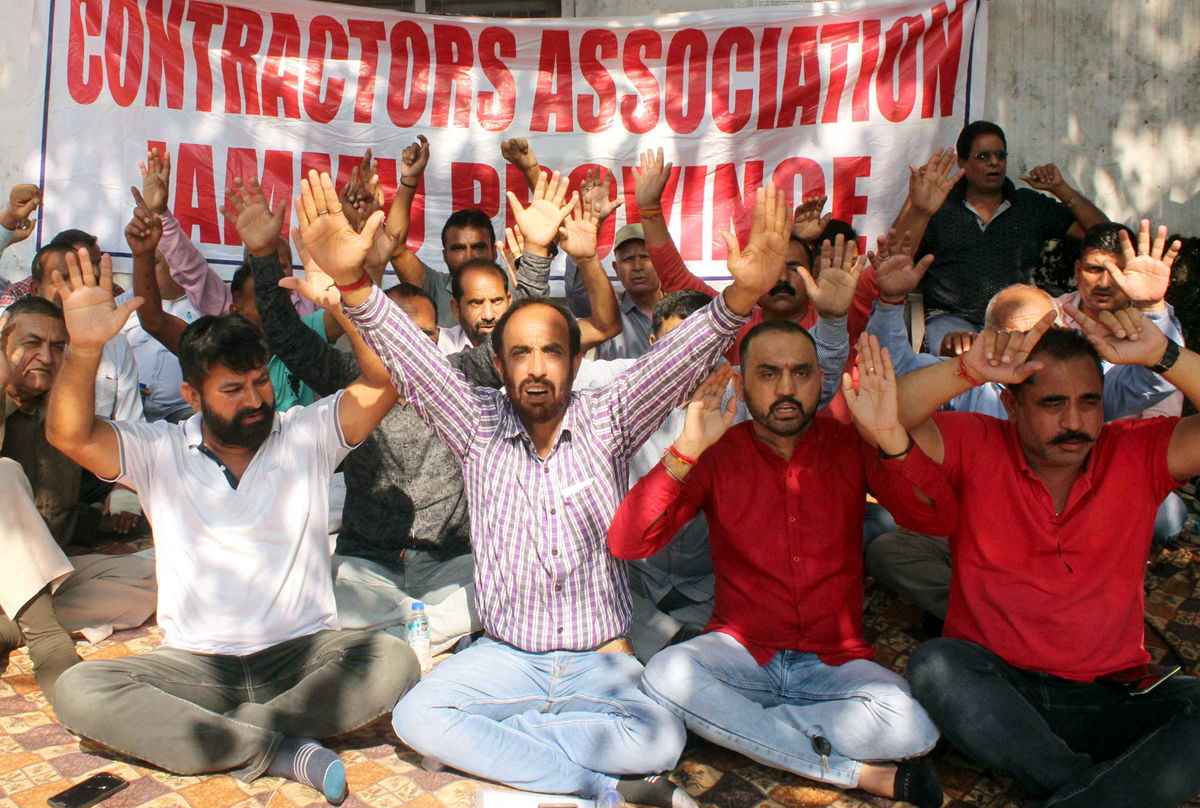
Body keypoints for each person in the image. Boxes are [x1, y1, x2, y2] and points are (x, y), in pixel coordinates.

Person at [306, 162, 793, 804]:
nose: (536, 369)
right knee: (416, 718)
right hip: (507, 657)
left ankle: (521, 750)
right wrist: (353, 283)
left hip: (600, 660)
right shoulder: (475, 422)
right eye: (519, 354)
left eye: (552, 352)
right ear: (498, 364)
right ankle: (600, 789)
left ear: (574, 358)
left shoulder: (610, 415)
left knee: (661, 740)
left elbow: (674, 359)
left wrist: (738, 300)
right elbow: (414, 358)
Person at [45, 230, 417, 802]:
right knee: (80, 689)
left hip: (301, 655)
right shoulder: (159, 449)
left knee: (392, 661)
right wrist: (84, 349)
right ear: (192, 397)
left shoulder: (304, 434)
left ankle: (226, 736)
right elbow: (68, 433)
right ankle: (279, 747)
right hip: (195, 666)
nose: (255, 400)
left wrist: (346, 301)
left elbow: (383, 382)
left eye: (259, 381)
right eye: (232, 389)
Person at [894, 221, 1200, 808]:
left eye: (1089, 402)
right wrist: (969, 370)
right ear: (1011, 403)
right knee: (935, 665)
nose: (1075, 422)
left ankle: (1067, 790)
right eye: (1053, 404)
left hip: (1110, 693)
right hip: (999, 685)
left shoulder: (1133, 450)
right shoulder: (978, 440)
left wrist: (1164, 352)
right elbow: (889, 419)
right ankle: (1091, 787)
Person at [609, 329, 953, 808]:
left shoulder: (851, 443)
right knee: (667, 672)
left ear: (820, 380)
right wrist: (685, 451)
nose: (787, 388)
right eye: (769, 374)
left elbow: (935, 518)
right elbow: (628, 542)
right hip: (741, 651)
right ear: (743, 385)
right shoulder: (715, 453)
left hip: (836, 662)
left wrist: (892, 438)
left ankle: (739, 726)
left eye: (801, 373)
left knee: (914, 726)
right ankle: (855, 773)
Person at [864, 229, 1185, 618]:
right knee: (889, 548)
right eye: (1018, 339)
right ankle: (994, 613)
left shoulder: (1084, 379)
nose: (1032, 353)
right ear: (990, 340)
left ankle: (1041, 604)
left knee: (1169, 512)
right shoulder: (970, 382)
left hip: (1075, 529)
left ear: (1063, 330)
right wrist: (891, 302)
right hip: (981, 533)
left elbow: (1152, 379)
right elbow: (888, 383)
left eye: (1044, 335)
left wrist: (1153, 310)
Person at [575, 237, 863, 661]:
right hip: (631, 577)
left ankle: (673, 654)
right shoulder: (619, 382)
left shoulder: (747, 396)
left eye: (700, 351)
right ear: (651, 344)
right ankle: (670, 648)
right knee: (589, 590)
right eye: (672, 349)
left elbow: (812, 383)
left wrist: (835, 319)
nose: (685, 364)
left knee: (746, 626)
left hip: (710, 584)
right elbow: (549, 370)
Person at [0, 300, 156, 702]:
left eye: (58, 347)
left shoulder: (65, 414)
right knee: (3, 475)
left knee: (159, 581)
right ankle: (48, 644)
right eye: (31, 343)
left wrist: (121, 493)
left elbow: (81, 489)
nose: (46, 357)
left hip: (38, 577)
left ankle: (17, 626)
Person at [633, 148, 876, 366]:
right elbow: (675, 278)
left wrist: (916, 214)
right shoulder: (732, 325)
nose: (781, 277)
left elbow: (887, 266)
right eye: (772, 267)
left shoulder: (836, 321)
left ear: (813, 274)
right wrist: (650, 210)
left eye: (794, 267)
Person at [891, 123, 1109, 351]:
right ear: (962, 163)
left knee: (1041, 360)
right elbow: (895, 256)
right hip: (952, 319)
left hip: (1016, 316)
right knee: (955, 357)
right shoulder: (939, 207)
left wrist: (1061, 188)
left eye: (1000, 155)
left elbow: (1104, 237)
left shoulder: (1029, 205)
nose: (994, 162)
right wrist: (916, 205)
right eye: (983, 156)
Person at [137, 149, 320, 320]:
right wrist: (161, 214)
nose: (274, 275)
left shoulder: (314, 304)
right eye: (262, 267)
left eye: (282, 266)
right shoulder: (227, 302)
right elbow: (192, 272)